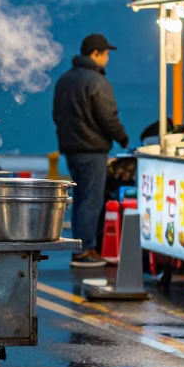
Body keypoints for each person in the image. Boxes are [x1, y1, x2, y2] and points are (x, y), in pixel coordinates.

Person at [52, 34, 129, 268]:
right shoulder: (97, 82)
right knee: (91, 200)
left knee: (81, 199)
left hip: (71, 149)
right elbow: (108, 117)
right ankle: (85, 250)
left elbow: (57, 114)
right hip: (92, 149)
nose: (107, 59)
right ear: (96, 53)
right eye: (106, 54)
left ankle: (79, 246)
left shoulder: (64, 80)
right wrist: (122, 138)